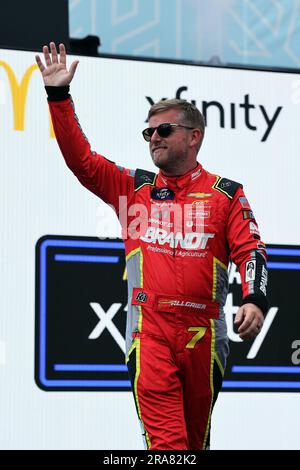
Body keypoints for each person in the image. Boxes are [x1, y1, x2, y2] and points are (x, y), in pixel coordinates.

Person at [35, 42, 268, 450]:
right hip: (150, 332)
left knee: (194, 444)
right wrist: (59, 97)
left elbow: (252, 251)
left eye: (163, 130)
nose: (153, 139)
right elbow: (82, 161)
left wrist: (254, 299)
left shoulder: (226, 194)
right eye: (148, 132)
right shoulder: (133, 188)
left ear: (194, 137)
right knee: (168, 447)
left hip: (206, 335)